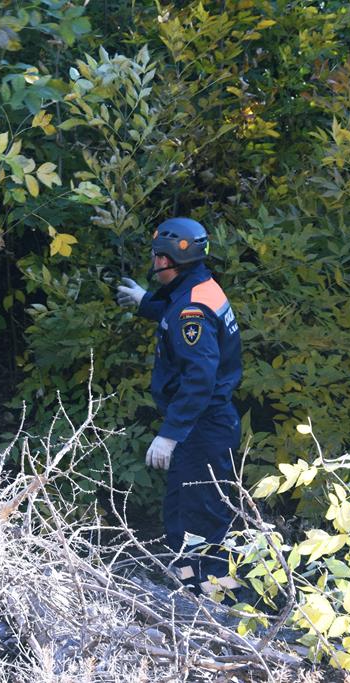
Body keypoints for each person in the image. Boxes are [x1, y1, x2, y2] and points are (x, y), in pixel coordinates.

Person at [116, 217, 243, 596]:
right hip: (202, 425)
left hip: (202, 426)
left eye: (157, 255)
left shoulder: (193, 310)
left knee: (203, 515)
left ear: (168, 259)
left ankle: (218, 599)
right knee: (181, 509)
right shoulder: (197, 287)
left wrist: (170, 434)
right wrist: (146, 302)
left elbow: (199, 378)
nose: (153, 261)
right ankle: (186, 586)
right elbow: (173, 307)